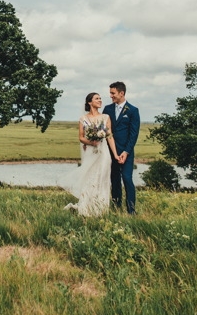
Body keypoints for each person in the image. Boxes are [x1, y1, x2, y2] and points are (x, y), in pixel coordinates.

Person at [59, 92, 121, 216]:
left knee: (102, 179)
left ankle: (100, 209)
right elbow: (81, 137)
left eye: (100, 98)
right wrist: (91, 142)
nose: (100, 100)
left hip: (104, 153)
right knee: (89, 178)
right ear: (89, 102)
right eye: (97, 98)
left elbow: (110, 137)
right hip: (90, 152)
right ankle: (86, 208)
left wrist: (115, 154)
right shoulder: (83, 119)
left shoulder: (106, 117)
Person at [102, 81, 140, 214]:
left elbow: (133, 134)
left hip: (126, 152)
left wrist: (126, 151)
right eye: (110, 93)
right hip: (111, 151)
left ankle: (131, 210)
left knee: (127, 179)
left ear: (121, 93)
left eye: (113, 93)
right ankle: (116, 208)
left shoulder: (133, 111)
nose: (111, 96)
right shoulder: (107, 109)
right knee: (115, 179)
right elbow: (104, 130)